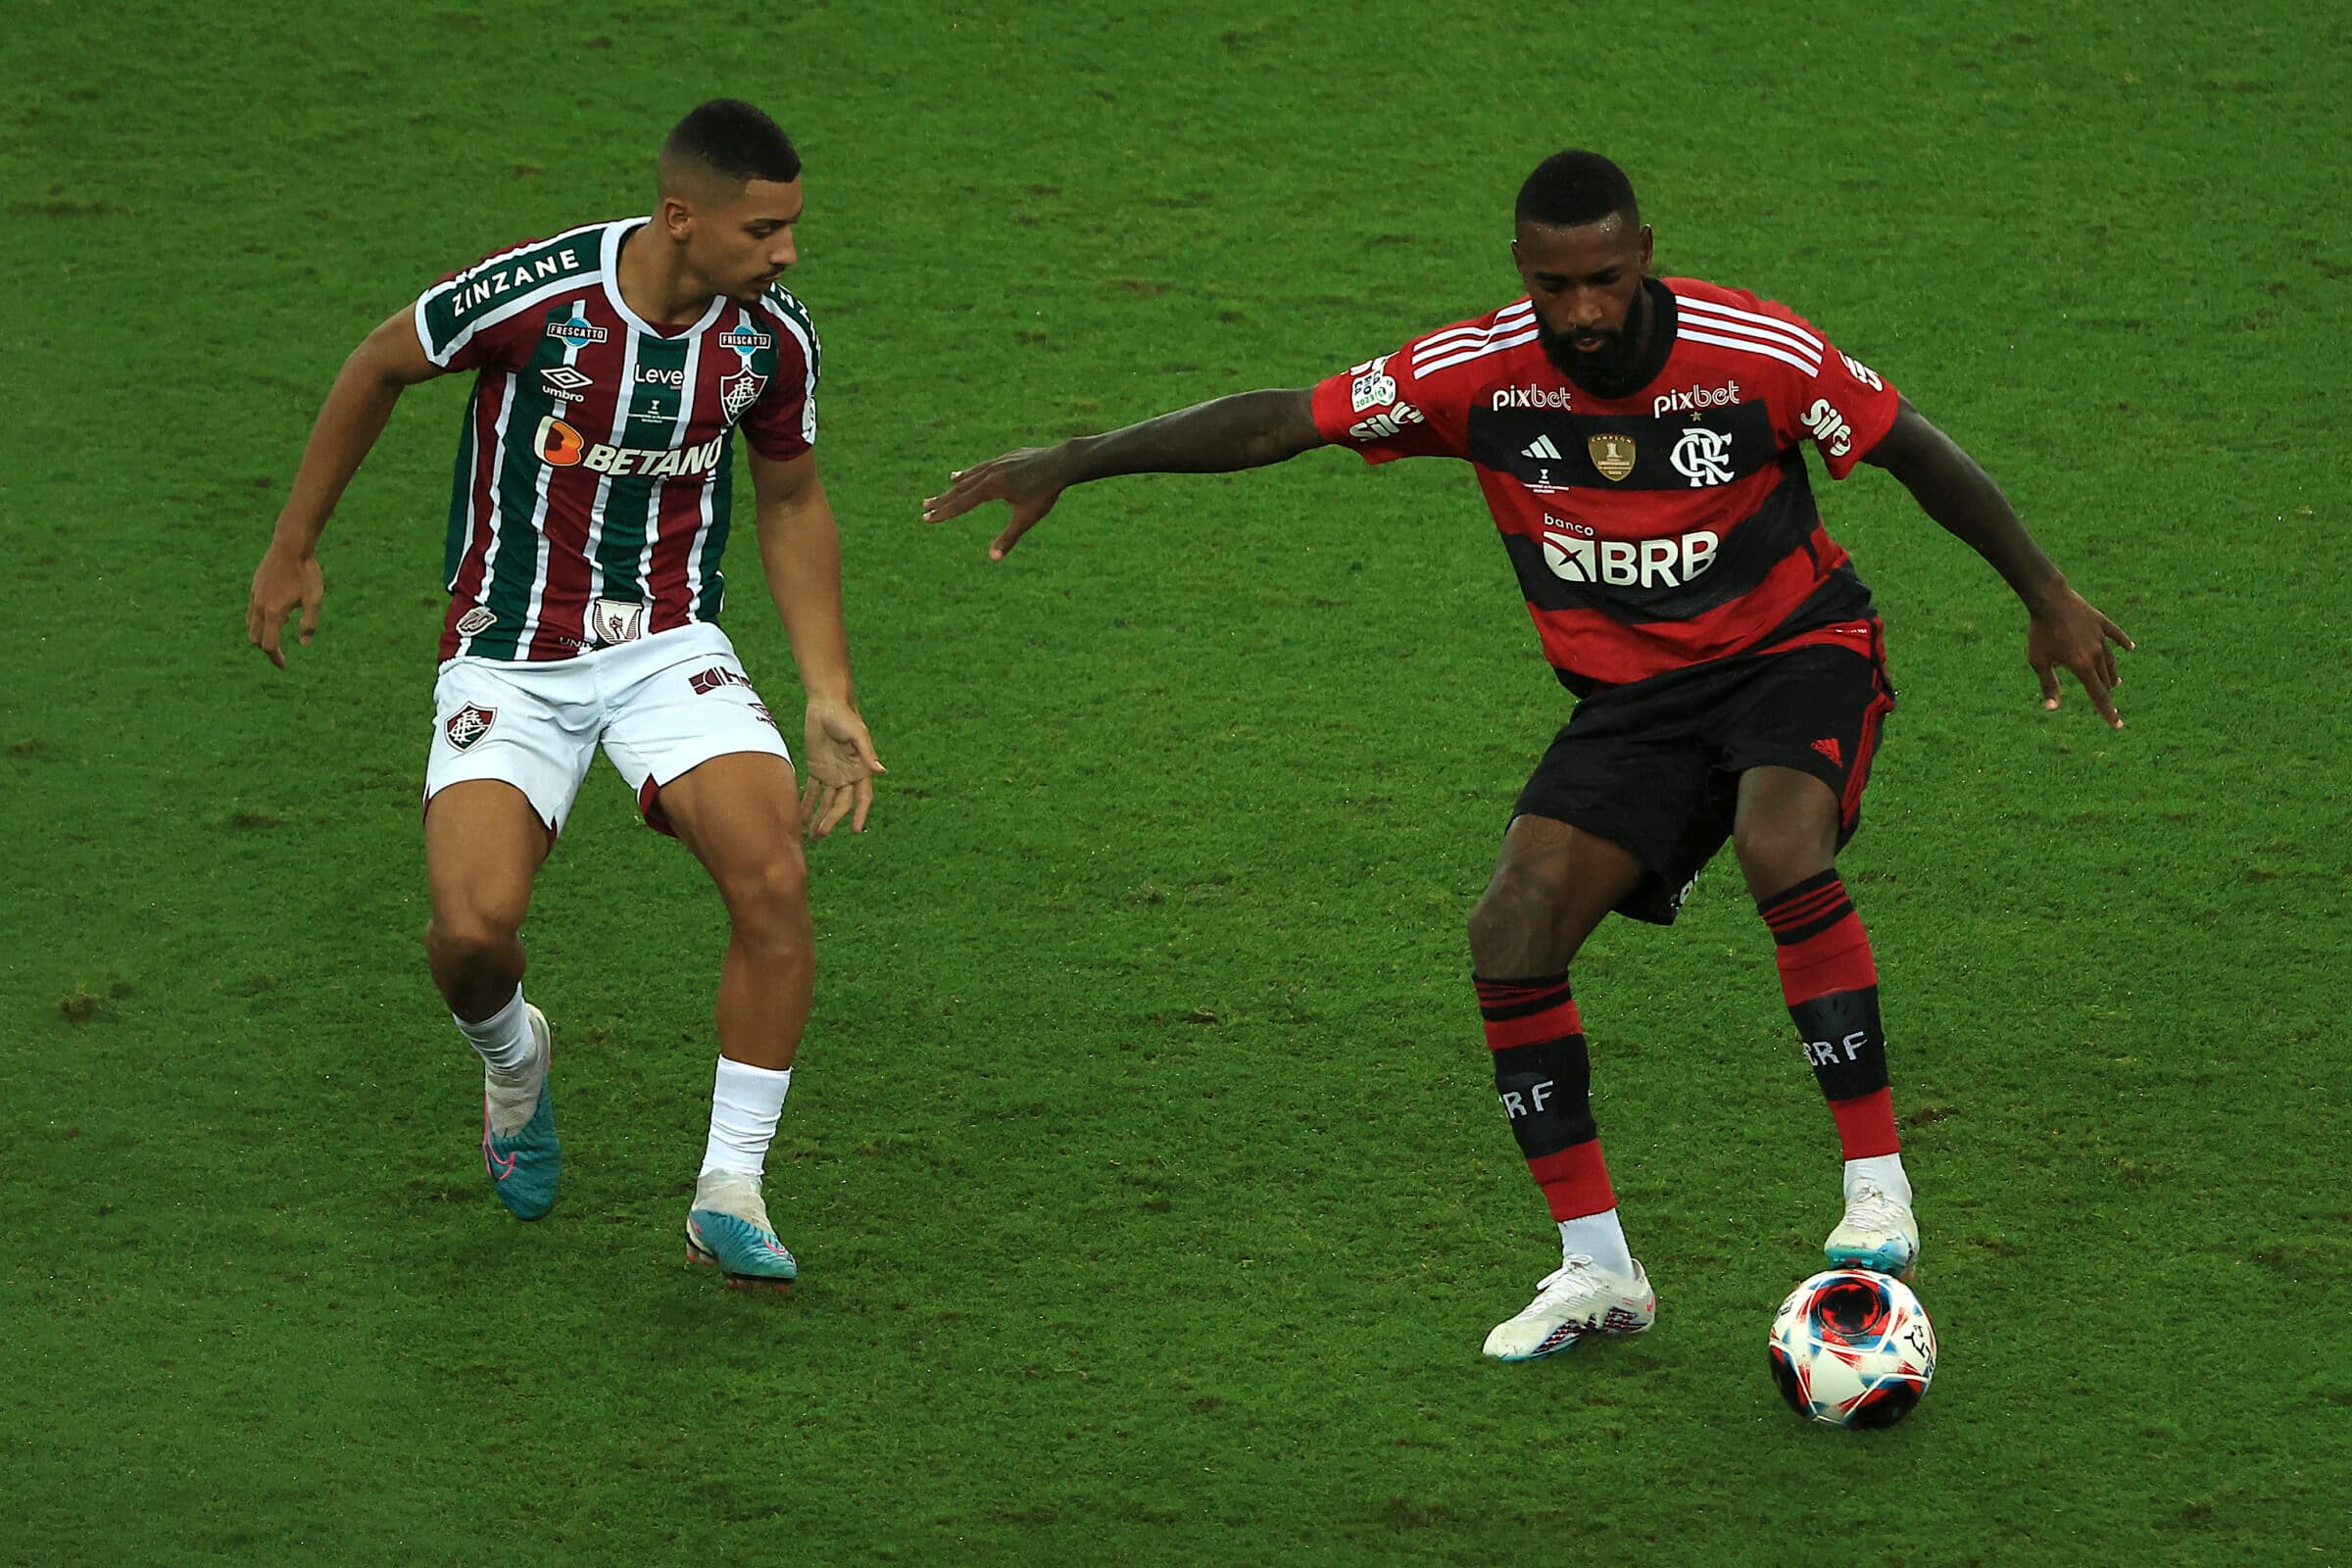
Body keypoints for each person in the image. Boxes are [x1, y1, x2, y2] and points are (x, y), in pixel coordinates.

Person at [924, 150, 2131, 1359]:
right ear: (1521, 271)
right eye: (1556, 286)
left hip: (1795, 650)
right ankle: (1599, 1271)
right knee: (1510, 927)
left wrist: (2046, 591)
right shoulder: (1474, 374)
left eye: (1605, 279)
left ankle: (1877, 1184)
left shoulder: (1756, 353)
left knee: (1780, 843)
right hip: (1632, 702)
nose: (1585, 311)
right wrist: (1077, 457)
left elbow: (1912, 445)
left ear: (1645, 253)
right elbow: (1277, 425)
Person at [246, 99, 883, 1291]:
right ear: (682, 218)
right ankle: (513, 1058)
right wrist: (295, 543)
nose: (787, 251)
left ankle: (729, 1188)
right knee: (473, 935)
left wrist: (827, 689)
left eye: (792, 228)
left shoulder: (769, 339)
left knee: (775, 875)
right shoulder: (540, 295)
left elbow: (793, 497)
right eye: (765, 230)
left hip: (669, 647)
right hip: (510, 653)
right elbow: (380, 361)